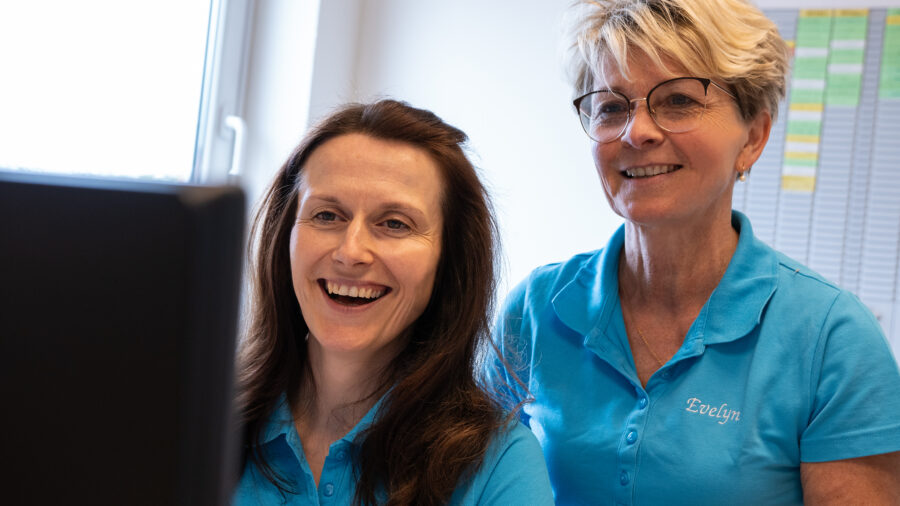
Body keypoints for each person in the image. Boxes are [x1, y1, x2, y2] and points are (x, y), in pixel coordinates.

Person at [488, 0, 900, 504]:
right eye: (612, 107)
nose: (636, 131)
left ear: (754, 137)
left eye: (679, 100)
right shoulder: (535, 310)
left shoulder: (832, 338)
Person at [231, 99, 553, 506]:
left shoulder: (499, 463)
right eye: (327, 215)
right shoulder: (197, 420)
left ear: (449, 260)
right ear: (285, 238)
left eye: (395, 224)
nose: (351, 252)